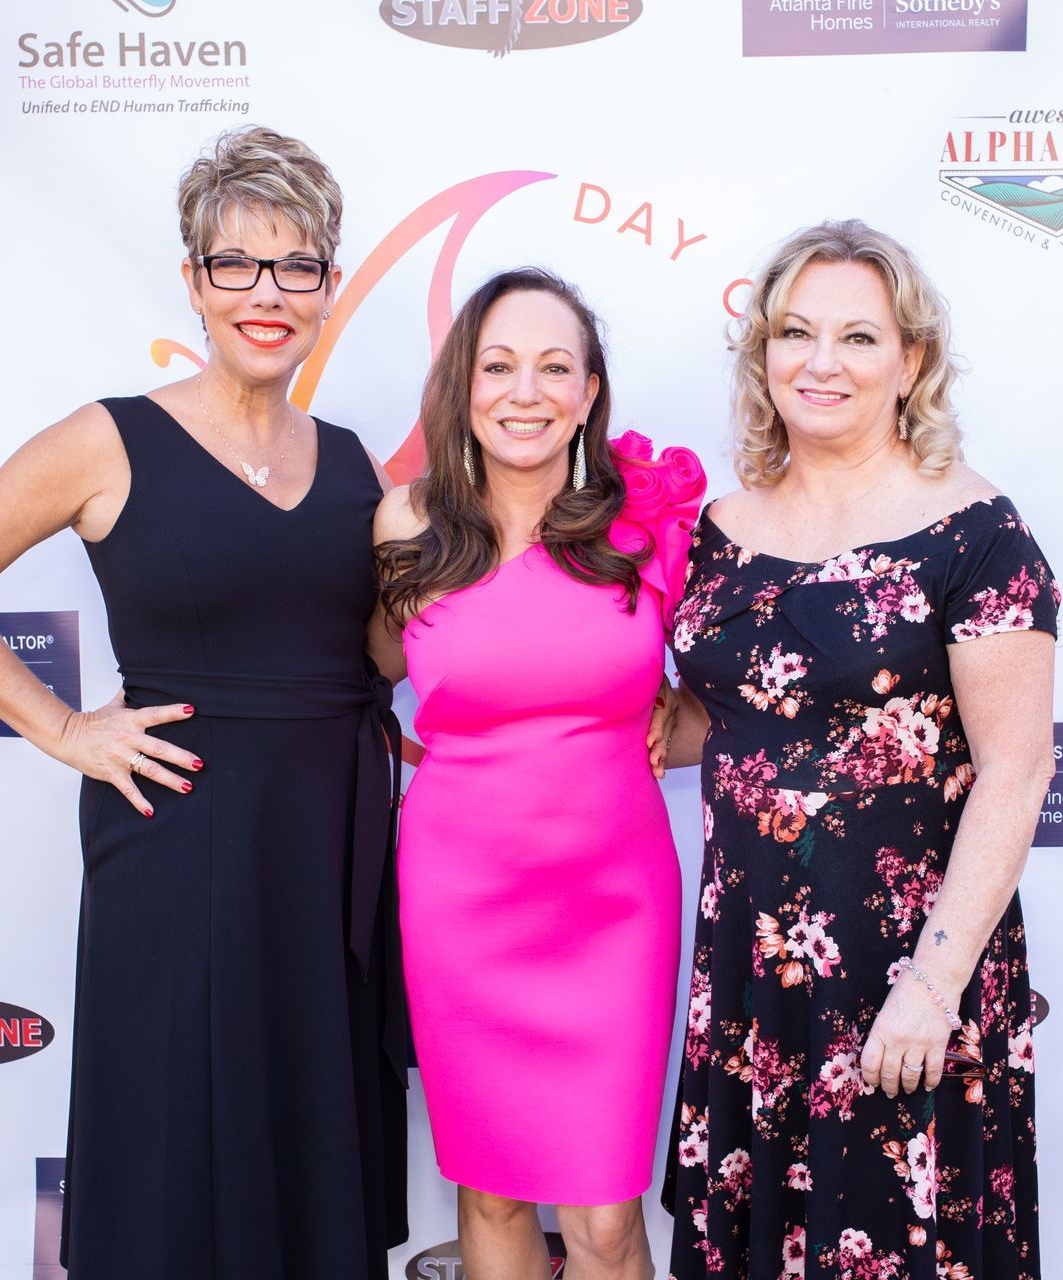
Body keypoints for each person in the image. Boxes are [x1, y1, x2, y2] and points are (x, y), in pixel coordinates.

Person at [0, 126, 406, 1279]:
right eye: (238, 264)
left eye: (298, 266)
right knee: (174, 1137)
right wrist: (65, 727)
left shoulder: (360, 460)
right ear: (194, 280)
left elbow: (375, 651)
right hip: (178, 837)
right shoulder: (108, 438)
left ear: (328, 285)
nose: (268, 294)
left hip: (329, 843)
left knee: (307, 1132)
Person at [660, 220, 1057, 1279]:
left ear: (911, 362)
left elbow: (1018, 770)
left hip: (903, 971)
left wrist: (932, 986)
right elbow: (724, 719)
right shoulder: (715, 527)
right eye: (795, 332)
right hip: (751, 974)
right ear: (762, 355)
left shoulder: (976, 533)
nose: (820, 362)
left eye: (858, 337)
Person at [371, 268, 704, 1280]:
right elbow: (374, 666)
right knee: (491, 1189)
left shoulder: (650, 524)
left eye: (554, 367)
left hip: (614, 904)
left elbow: (736, 691)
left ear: (591, 391)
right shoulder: (405, 524)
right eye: (499, 365)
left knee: (605, 1217)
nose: (526, 391)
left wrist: (672, 719)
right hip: (459, 901)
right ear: (462, 386)